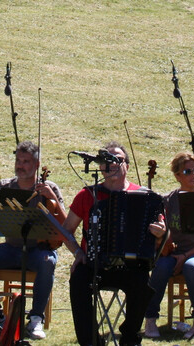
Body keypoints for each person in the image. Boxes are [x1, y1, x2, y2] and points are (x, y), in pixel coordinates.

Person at [62, 141, 165, 346]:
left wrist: (160, 233)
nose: (111, 165)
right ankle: (91, 341)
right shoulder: (87, 195)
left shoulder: (145, 197)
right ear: (100, 166)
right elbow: (66, 230)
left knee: (143, 284)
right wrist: (77, 252)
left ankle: (130, 337)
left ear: (126, 164)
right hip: (95, 264)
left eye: (118, 160)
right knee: (78, 280)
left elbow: (162, 233)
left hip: (131, 266)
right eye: (106, 160)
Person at [0, 140, 63, 340]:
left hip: (39, 250)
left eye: (25, 161)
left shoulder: (49, 188)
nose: (20, 165)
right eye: (18, 160)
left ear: (36, 164)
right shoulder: (4, 187)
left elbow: (66, 225)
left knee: (48, 262)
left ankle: (35, 319)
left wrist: (52, 198)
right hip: (11, 248)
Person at [144, 152, 194, 340]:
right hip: (173, 252)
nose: (193, 175)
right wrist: (161, 236)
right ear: (177, 176)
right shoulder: (168, 200)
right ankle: (150, 319)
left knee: (192, 266)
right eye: (187, 171)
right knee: (160, 266)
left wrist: (185, 256)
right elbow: (163, 233)